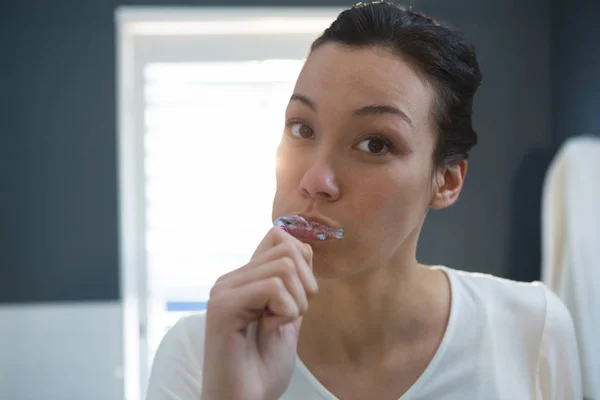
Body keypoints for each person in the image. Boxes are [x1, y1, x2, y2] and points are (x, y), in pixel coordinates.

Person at [145, 2, 582, 399]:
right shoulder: (197, 355)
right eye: (302, 129)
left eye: (375, 144)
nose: (316, 180)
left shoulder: (533, 330)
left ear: (446, 181)